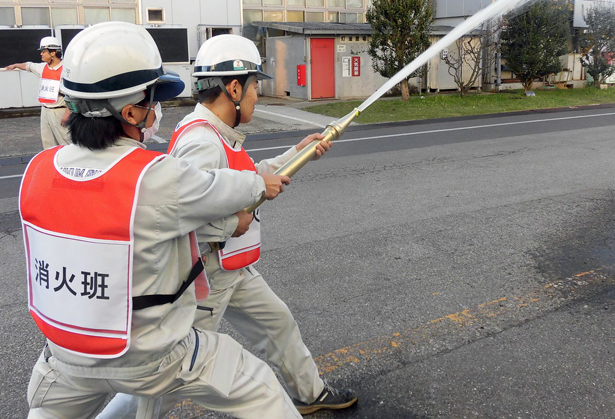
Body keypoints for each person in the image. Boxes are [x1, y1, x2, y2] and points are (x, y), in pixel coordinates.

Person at [19, 21, 302, 419]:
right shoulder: (152, 174)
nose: (156, 111)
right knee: (259, 387)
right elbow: (217, 189)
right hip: (148, 354)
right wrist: (259, 184)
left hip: (65, 356)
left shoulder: (37, 170)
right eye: (152, 100)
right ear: (130, 110)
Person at [98, 35, 358, 418]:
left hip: (232, 267)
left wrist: (298, 153)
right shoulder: (202, 141)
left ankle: (310, 393)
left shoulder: (217, 131)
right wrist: (231, 222)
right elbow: (185, 214)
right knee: (171, 374)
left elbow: (243, 179)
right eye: (255, 86)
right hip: (207, 273)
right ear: (234, 87)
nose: (257, 95)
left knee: (278, 324)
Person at [5, 35, 71, 148]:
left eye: (43, 51)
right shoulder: (43, 67)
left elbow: (71, 95)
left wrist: (67, 114)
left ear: (53, 53)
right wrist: (16, 65)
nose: (41, 54)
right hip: (45, 110)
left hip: (59, 111)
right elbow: (28, 66)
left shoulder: (66, 70)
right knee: (48, 141)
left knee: (65, 141)